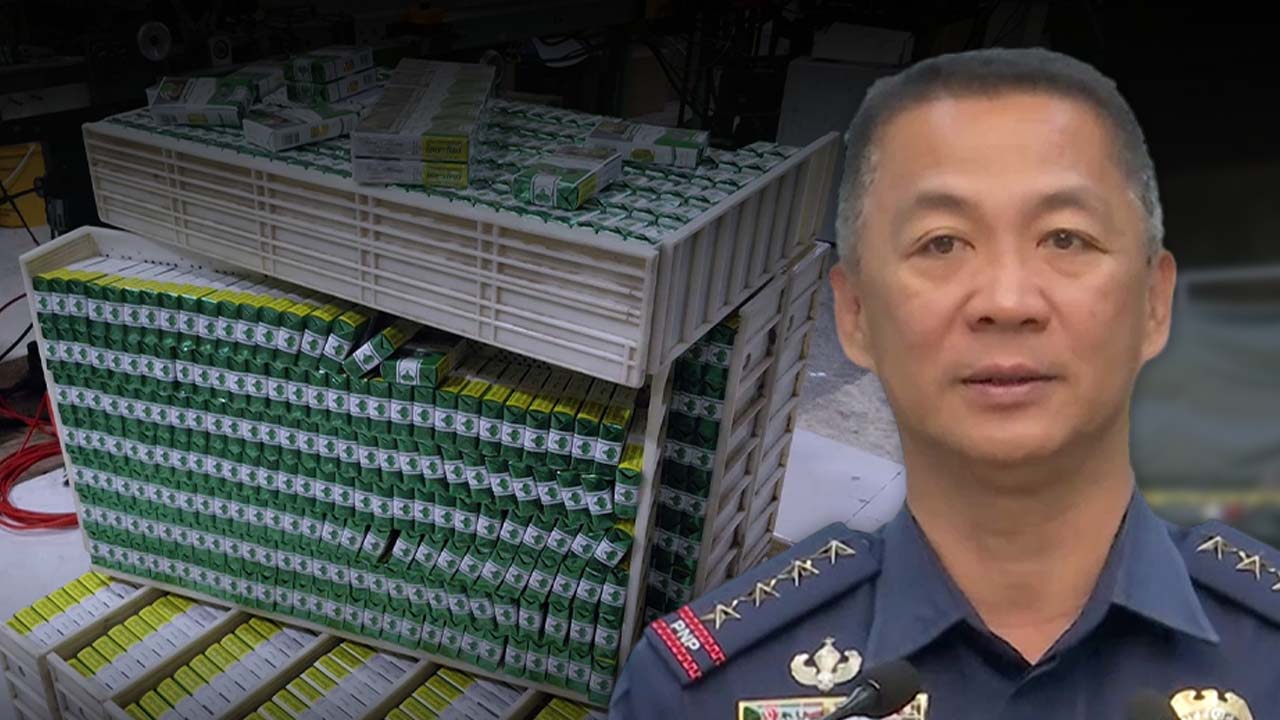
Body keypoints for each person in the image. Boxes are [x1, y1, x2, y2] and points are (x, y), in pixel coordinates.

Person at [609, 47, 1280, 720]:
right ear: (856, 314)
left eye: (1066, 238)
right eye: (942, 243)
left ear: (1154, 303)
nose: (1008, 301)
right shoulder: (697, 697)